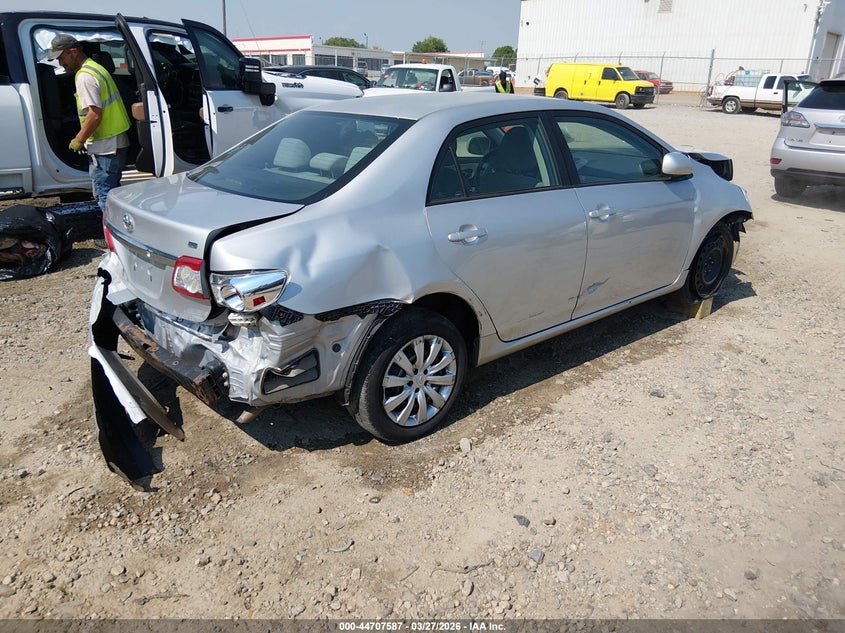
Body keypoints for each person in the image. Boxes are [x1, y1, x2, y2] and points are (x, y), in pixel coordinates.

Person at [46, 34, 131, 215]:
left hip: (105, 147)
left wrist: (79, 138)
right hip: (113, 143)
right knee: (112, 194)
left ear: (74, 52)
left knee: (104, 197)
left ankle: (113, 237)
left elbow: (94, 114)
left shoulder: (84, 77)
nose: (60, 63)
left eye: (61, 58)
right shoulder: (95, 67)